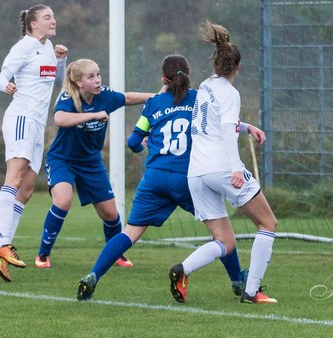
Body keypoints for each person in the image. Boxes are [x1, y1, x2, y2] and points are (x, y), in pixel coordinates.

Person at [77, 54, 245, 301]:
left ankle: (93, 275)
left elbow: (133, 141)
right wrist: (248, 129)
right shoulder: (200, 99)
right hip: (188, 177)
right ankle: (238, 282)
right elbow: (223, 126)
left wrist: (144, 143)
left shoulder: (154, 103)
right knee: (221, 234)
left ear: (163, 78)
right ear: (188, 75)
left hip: (155, 179)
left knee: (130, 232)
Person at [169, 22, 279, 305]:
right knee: (267, 222)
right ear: (238, 66)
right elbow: (227, 132)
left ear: (215, 64)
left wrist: (247, 127)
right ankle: (252, 292)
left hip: (197, 173)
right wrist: (234, 168)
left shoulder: (206, 86)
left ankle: (183, 270)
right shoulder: (231, 93)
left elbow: (215, 123)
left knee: (225, 242)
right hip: (221, 167)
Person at [33, 58, 151, 267]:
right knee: (62, 201)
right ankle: (43, 255)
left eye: (98, 75)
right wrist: (92, 116)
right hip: (62, 159)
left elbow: (127, 97)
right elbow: (59, 119)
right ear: (79, 82)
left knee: (110, 213)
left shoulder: (104, 96)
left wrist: (158, 97)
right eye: (91, 77)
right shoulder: (69, 95)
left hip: (91, 162)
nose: (97, 80)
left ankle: (115, 254)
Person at [0, 5, 69, 282]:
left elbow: (56, 81)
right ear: (33, 24)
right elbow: (0, 77)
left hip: (36, 124)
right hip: (21, 117)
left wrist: (60, 60)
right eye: (47, 17)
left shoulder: (48, 47)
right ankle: (1, 243)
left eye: (53, 17)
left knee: (28, 188)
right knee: (15, 176)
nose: (53, 20)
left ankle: (3, 246)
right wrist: (6, 86)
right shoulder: (23, 47)